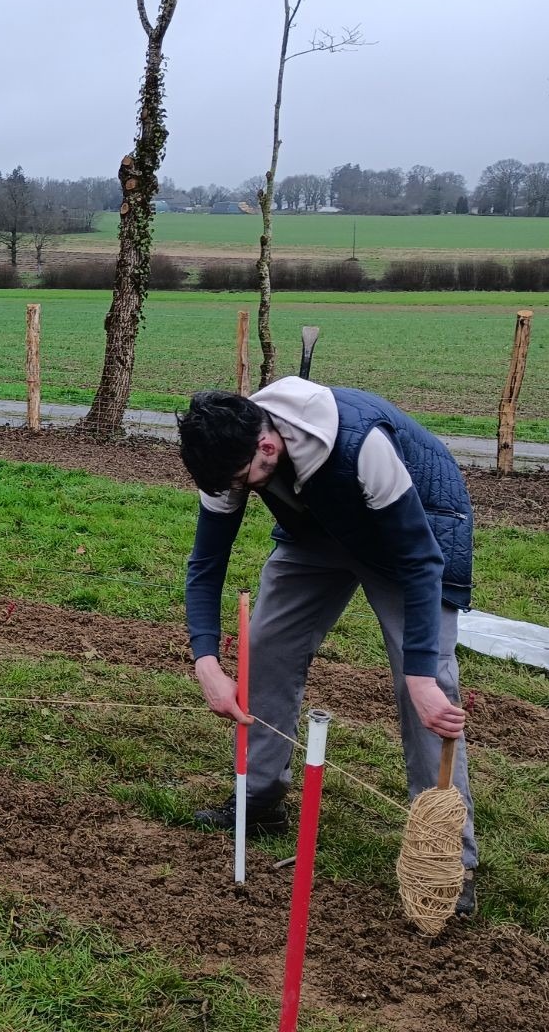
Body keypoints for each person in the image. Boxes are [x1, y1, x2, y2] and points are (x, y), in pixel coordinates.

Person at [178, 378, 476, 912]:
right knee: (265, 644)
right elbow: (206, 565)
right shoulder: (226, 458)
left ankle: (447, 857)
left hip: (416, 530)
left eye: (244, 481)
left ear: (267, 447)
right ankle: (260, 798)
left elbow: (420, 558)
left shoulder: (362, 447)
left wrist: (421, 674)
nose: (238, 491)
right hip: (317, 530)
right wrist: (205, 661)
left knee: (427, 688)